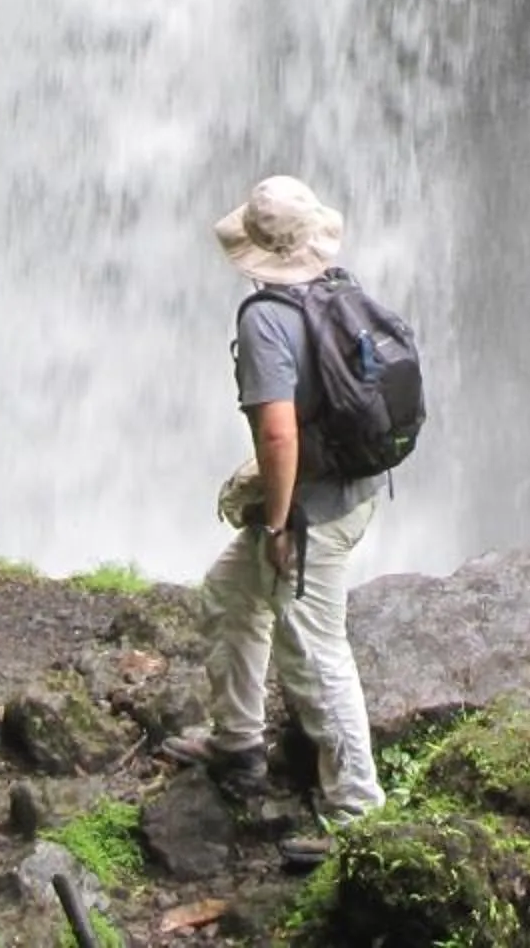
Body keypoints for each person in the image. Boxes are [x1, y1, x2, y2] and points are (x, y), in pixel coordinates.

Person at [161, 173, 387, 859]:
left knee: (314, 651)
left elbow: (279, 436)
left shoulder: (265, 319)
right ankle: (237, 744)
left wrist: (281, 523)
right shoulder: (336, 290)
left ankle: (358, 814)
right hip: (350, 486)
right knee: (232, 592)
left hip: (312, 508)